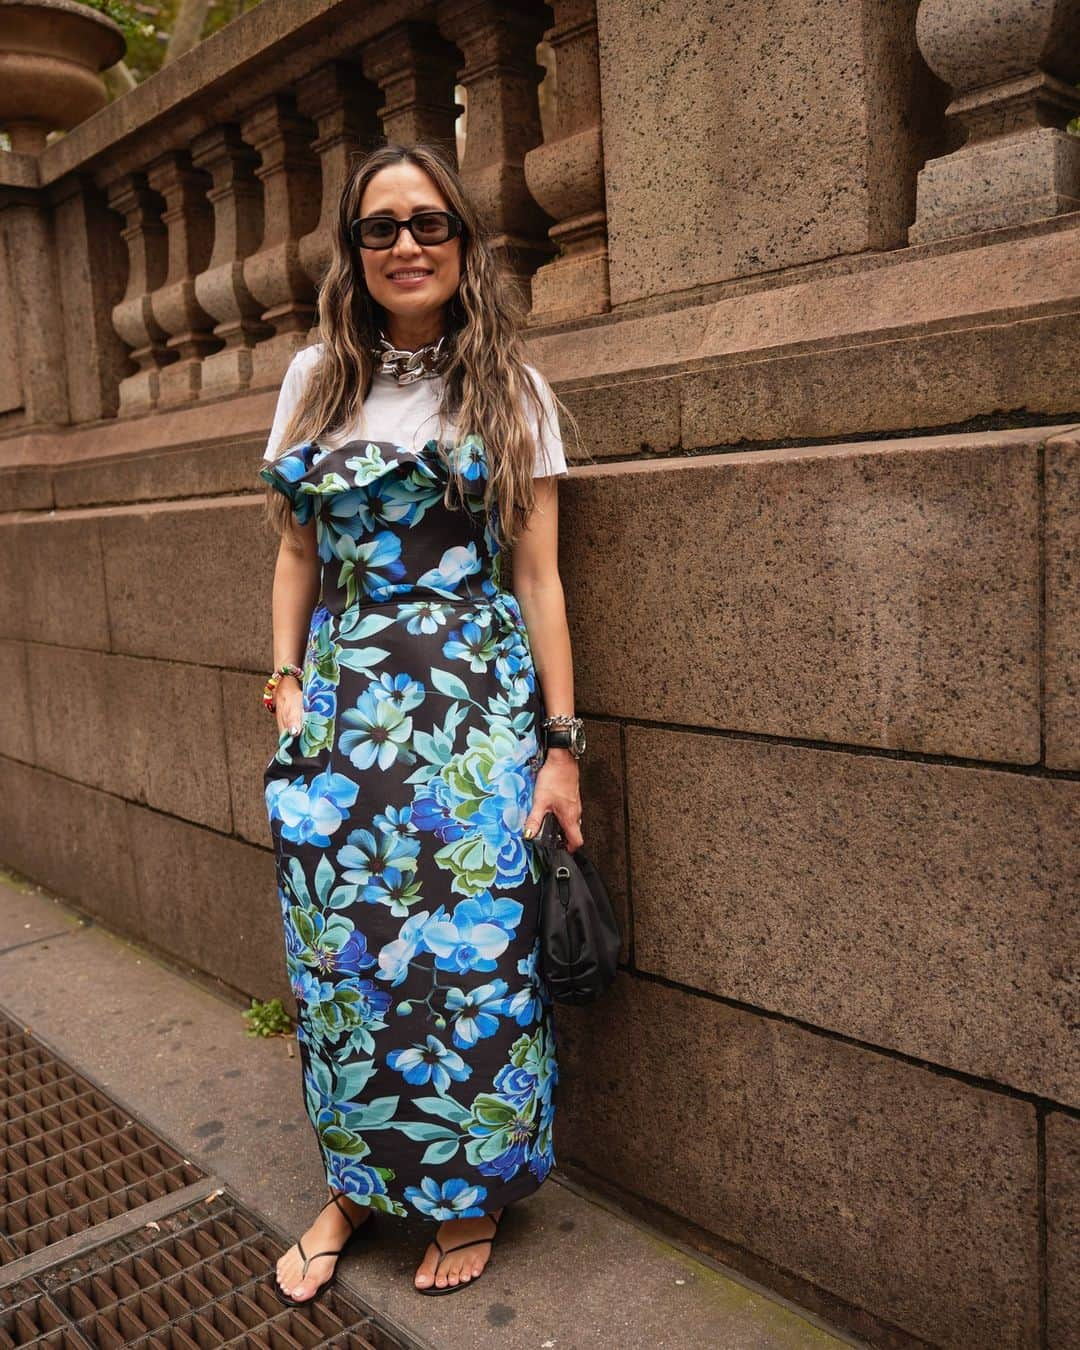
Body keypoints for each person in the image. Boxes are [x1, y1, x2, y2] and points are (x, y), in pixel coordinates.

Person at [258, 141, 587, 1303]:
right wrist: (286, 676)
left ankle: (470, 1191)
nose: (406, 245)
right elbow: (298, 548)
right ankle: (355, 1184)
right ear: (353, 253)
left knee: (473, 963)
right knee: (342, 960)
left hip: (471, 713)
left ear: (463, 243)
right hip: (345, 715)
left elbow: (542, 583)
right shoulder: (314, 382)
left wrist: (562, 751)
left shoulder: (511, 389)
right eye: (380, 228)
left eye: (429, 224)